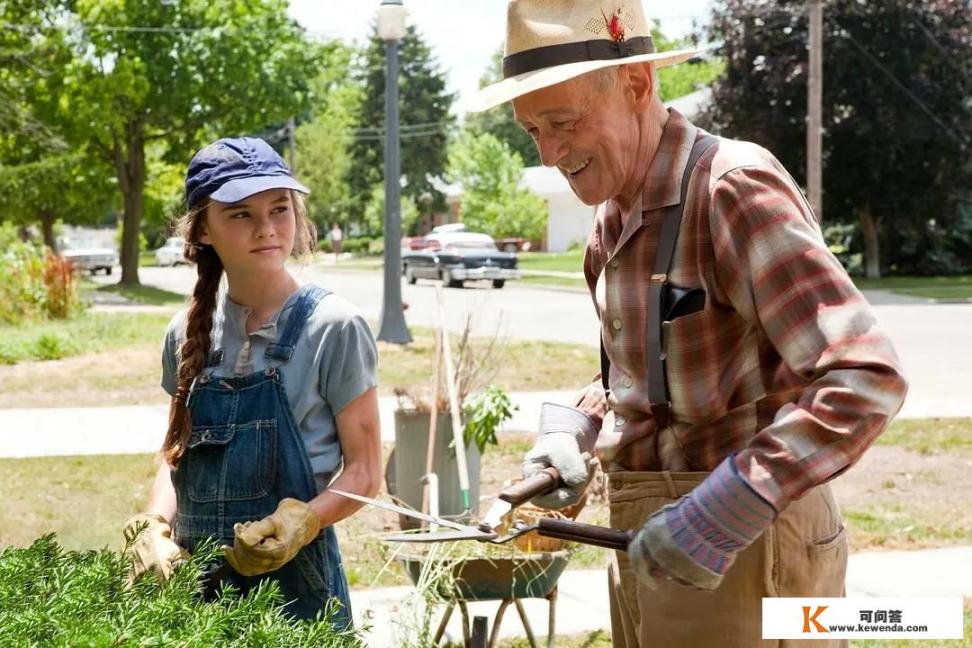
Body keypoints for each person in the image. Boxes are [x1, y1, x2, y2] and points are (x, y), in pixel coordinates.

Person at [471, 1, 908, 646]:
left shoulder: (731, 190)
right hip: (652, 545)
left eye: (562, 122)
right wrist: (580, 427)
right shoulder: (610, 222)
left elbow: (866, 377)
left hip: (755, 549)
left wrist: (729, 505)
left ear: (638, 84)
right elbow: (648, 375)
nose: (548, 155)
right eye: (532, 130)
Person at [122, 137, 381, 627]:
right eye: (240, 214)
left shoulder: (333, 326)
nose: (266, 229)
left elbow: (365, 474)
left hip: (297, 596)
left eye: (279, 209)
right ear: (203, 230)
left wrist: (303, 521)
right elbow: (177, 453)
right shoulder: (184, 334)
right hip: (194, 587)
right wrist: (152, 522)